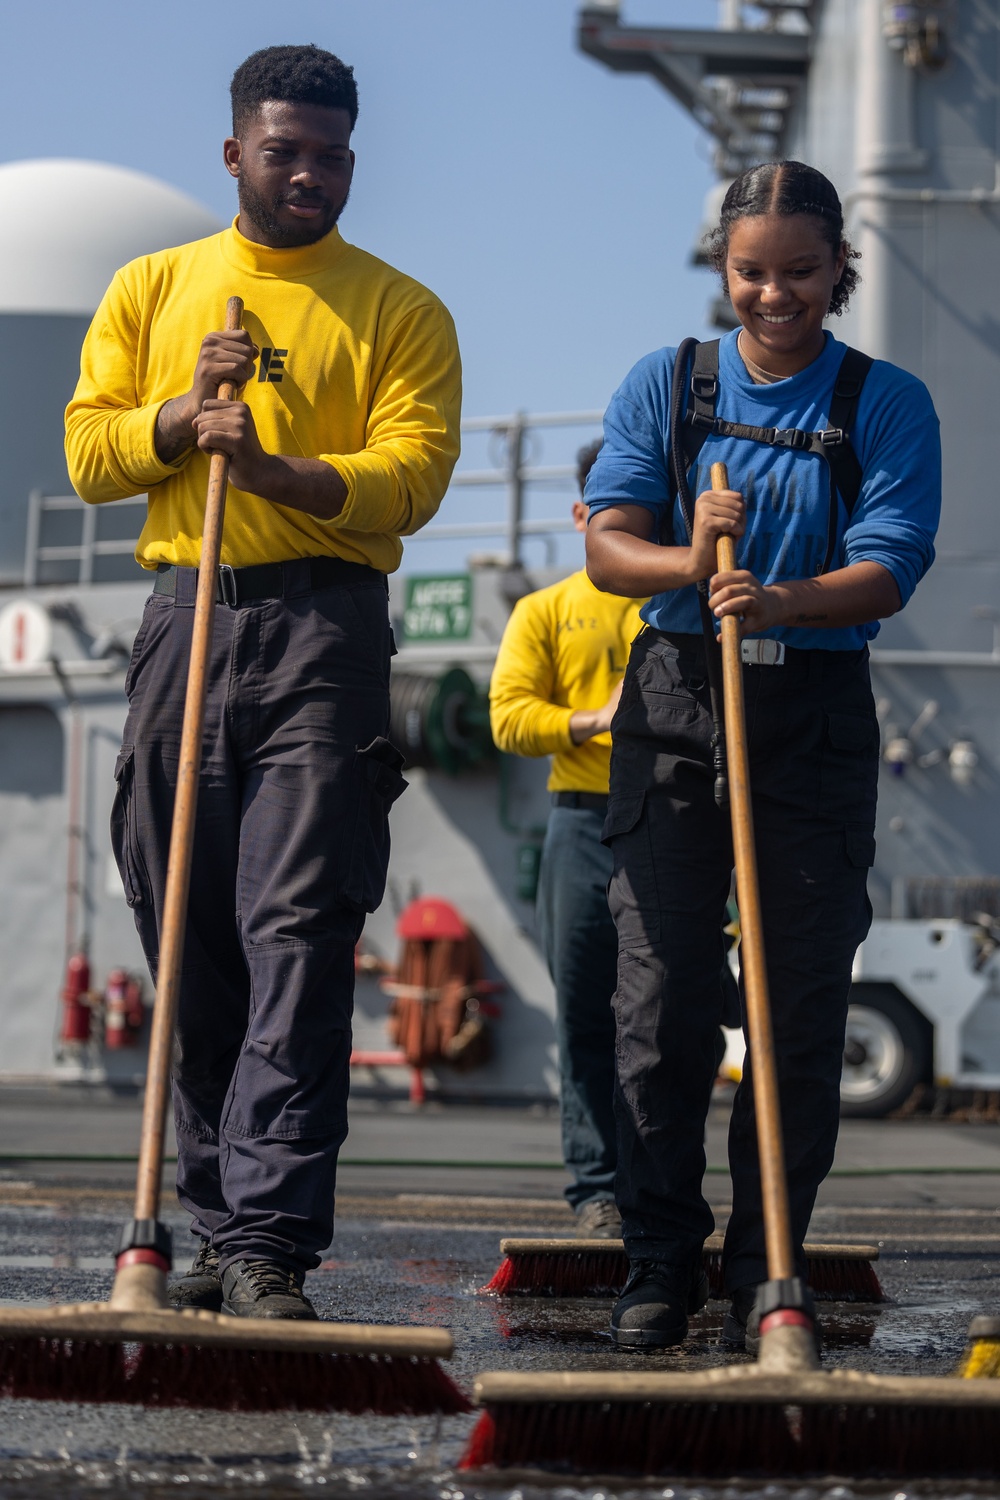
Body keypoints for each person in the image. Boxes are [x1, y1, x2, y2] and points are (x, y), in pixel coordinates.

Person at [65, 45, 461, 1320]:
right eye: (285, 150)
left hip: (323, 634)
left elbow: (410, 480)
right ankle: (207, 1218)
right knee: (184, 934)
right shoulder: (155, 285)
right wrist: (182, 423)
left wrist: (278, 464)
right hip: (186, 620)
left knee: (296, 932)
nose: (311, 174)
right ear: (234, 151)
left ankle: (269, 1249)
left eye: (332, 154)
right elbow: (87, 452)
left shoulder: (399, 308)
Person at [584, 160, 939, 1349]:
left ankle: (764, 1262)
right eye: (751, 271)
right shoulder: (667, 384)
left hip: (813, 708)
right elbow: (607, 548)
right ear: (721, 267)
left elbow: (888, 565)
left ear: (839, 267)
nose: (774, 294)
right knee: (662, 997)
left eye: (799, 271)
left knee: (794, 1007)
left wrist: (778, 599)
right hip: (678, 700)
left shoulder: (886, 402)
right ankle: (656, 1258)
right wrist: (691, 565)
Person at [489, 442, 645, 1237]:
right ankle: (596, 1191)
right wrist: (595, 719)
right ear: (584, 516)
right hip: (581, 819)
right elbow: (509, 718)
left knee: (663, 1013)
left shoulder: (680, 601)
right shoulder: (544, 611)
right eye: (607, 506)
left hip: (673, 818)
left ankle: (658, 1180)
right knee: (585, 1010)